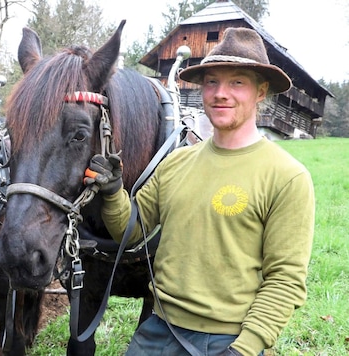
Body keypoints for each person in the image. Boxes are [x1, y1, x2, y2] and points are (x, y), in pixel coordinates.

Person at [85, 27, 315, 356]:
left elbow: (285, 279)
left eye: (237, 82)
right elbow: (132, 232)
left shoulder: (287, 177)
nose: (221, 93)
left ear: (260, 91)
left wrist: (244, 349)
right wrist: (112, 193)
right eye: (212, 82)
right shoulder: (176, 162)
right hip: (157, 329)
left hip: (228, 339)